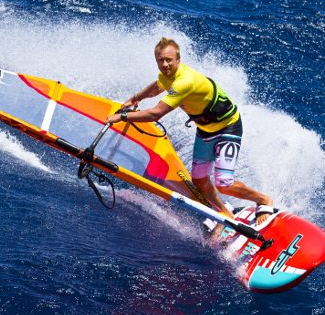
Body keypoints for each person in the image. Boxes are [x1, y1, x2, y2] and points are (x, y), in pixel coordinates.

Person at [107, 37, 274, 226]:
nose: (165, 64)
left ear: (178, 59)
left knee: (223, 184)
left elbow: (155, 114)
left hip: (228, 126)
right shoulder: (167, 75)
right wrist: (135, 98)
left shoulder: (184, 82)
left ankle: (263, 200)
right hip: (205, 130)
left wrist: (122, 117)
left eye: (169, 60)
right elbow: (158, 86)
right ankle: (225, 214)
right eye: (161, 60)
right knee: (199, 180)